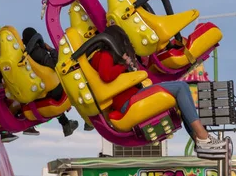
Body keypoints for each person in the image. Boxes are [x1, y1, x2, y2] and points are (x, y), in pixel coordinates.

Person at [90, 25, 227, 154]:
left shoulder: (103, 56)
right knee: (181, 87)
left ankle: (199, 140)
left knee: (180, 99)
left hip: (131, 97)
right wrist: (124, 65)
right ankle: (203, 137)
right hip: (128, 102)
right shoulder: (104, 55)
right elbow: (106, 75)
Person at [22, 27, 79, 137]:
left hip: (36, 95)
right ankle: (88, 119)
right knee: (72, 80)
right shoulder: (38, 52)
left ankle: (66, 124)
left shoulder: (25, 57)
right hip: (52, 92)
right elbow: (55, 64)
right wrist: (51, 50)